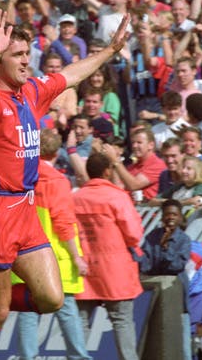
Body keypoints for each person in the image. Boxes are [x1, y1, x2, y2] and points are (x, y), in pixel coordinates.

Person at [0, 10, 130, 360]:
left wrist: (110, 51)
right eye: (17, 55)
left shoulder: (29, 92)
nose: (26, 61)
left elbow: (70, 75)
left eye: (26, 54)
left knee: (51, 298)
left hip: (25, 210)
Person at [14, 129, 90, 360]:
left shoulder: (18, 175)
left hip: (22, 253)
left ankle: (28, 357)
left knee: (28, 311)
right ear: (57, 152)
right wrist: (76, 256)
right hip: (54, 256)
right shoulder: (56, 181)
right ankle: (79, 357)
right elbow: (63, 222)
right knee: (66, 308)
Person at [73, 152, 144, 360]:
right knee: (122, 321)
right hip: (116, 271)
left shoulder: (74, 198)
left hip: (84, 268)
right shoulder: (117, 197)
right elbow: (134, 234)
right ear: (107, 171)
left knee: (81, 323)